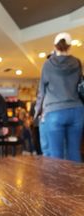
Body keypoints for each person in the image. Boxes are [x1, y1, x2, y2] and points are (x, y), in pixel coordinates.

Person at [35, 32, 84, 162]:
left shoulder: (48, 64)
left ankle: (57, 183)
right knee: (74, 152)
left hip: (54, 111)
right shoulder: (77, 62)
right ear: (70, 46)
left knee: (56, 155)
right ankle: (77, 182)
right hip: (77, 110)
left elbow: (42, 91)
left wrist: (37, 112)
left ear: (54, 46)